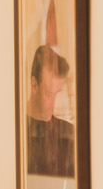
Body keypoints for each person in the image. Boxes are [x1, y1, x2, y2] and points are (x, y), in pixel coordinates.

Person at [25, 43, 76, 179]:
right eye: (48, 94)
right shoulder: (18, 132)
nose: (54, 104)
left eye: (57, 94)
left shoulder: (69, 134)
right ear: (34, 86)